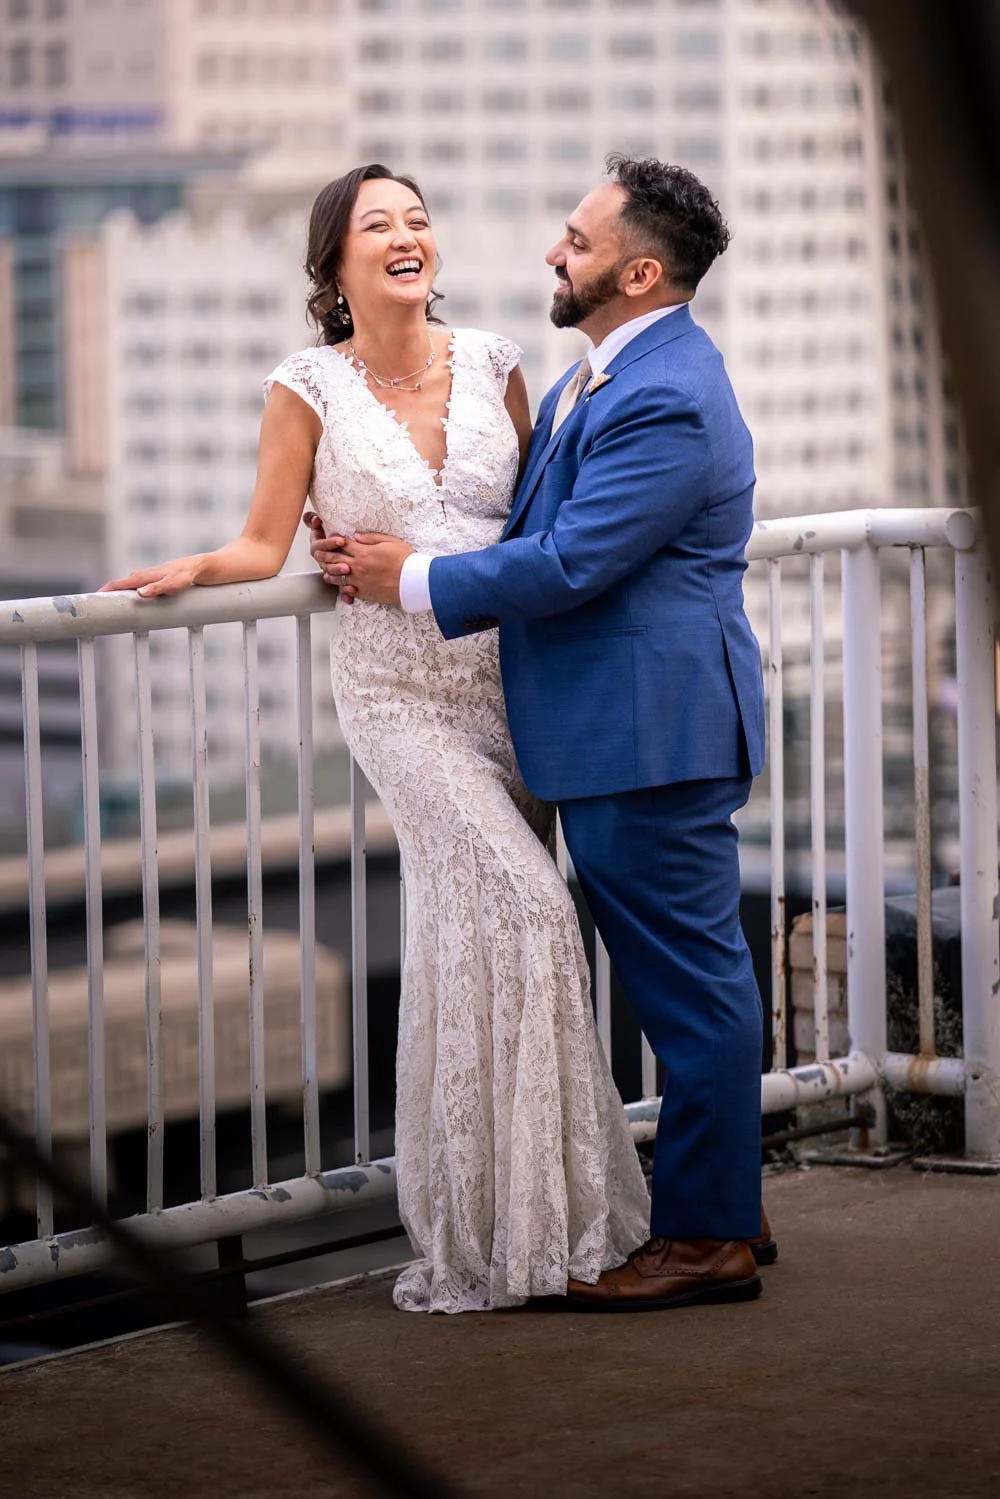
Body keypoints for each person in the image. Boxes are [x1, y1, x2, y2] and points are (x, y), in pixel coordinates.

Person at [100, 163, 651, 1314]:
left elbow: (540, 528)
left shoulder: (497, 363)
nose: (407, 236)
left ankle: (535, 1224)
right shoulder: (305, 385)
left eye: (417, 220)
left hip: (513, 687)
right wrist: (193, 569)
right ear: (336, 262)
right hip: (397, 697)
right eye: (378, 225)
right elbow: (264, 545)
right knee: (531, 908)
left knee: (472, 940)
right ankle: (507, 1232)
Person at [310, 154, 770, 1312]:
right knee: (682, 982)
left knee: (692, 992)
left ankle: (708, 1238)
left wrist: (409, 576)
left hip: (650, 731)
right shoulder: (601, 375)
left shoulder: (664, 393)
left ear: (639, 272)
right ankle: (728, 1208)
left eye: (577, 240)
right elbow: (523, 521)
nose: (553, 254)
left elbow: (570, 561)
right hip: (609, 727)